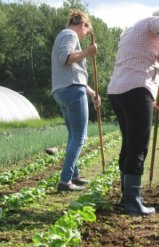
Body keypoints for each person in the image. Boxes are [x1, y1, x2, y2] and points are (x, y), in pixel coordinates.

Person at [108, 10, 159, 215]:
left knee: (129, 144)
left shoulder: (130, 33)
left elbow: (134, 65)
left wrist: (150, 103)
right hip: (136, 89)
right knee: (138, 145)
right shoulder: (152, 24)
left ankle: (125, 197)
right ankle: (133, 202)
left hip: (118, 91)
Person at [51, 10, 101, 192]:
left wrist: (91, 92)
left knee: (73, 136)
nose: (86, 35)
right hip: (72, 91)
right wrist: (87, 52)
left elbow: (73, 73)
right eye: (87, 31)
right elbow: (65, 58)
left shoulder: (65, 35)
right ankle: (65, 181)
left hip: (64, 90)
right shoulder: (70, 34)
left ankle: (73, 176)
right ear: (83, 25)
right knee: (80, 137)